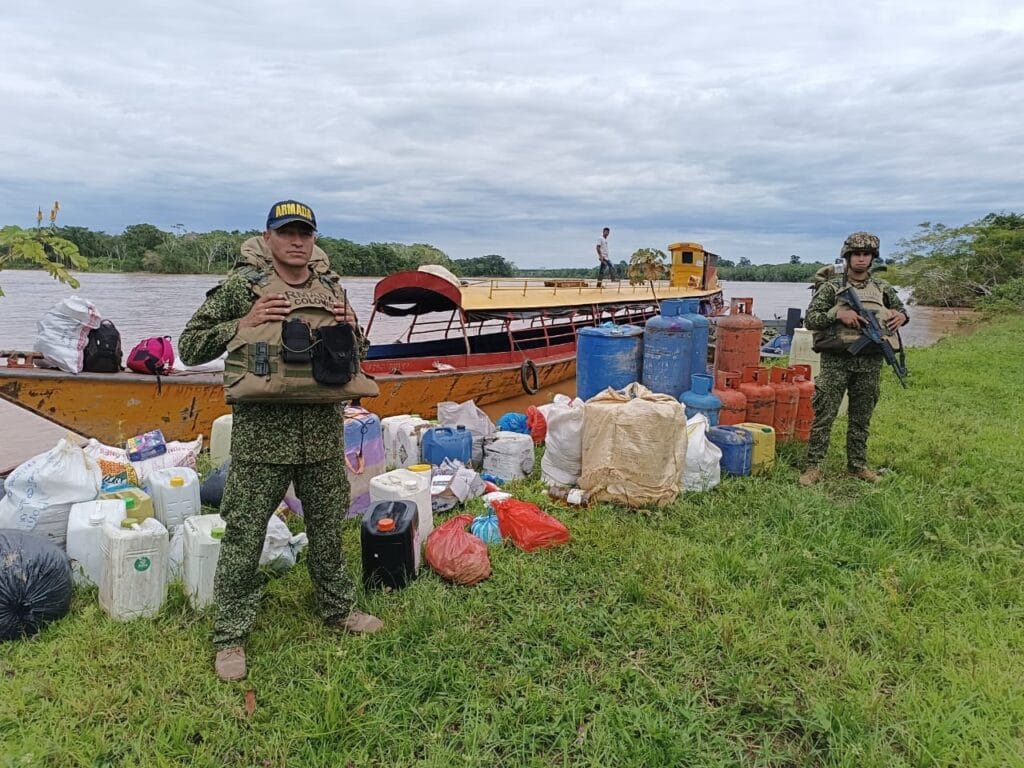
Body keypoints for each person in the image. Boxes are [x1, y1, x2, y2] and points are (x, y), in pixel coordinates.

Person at [179, 200, 383, 682]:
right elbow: (190, 346)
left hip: (321, 434)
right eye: (287, 232)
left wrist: (351, 329)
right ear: (268, 237)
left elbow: (358, 357)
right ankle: (230, 635)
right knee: (245, 535)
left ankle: (338, 610)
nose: (297, 241)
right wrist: (244, 323)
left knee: (330, 526)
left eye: (305, 233)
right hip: (260, 440)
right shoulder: (243, 287)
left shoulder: (330, 287)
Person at [799, 231, 908, 486]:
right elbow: (811, 319)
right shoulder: (832, 287)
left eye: (866, 255)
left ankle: (857, 465)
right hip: (836, 360)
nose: (861, 259)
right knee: (825, 413)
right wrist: (837, 314)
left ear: (873, 258)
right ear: (847, 257)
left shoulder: (882, 288)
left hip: (870, 361)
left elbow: (900, 310)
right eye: (856, 254)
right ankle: (813, 467)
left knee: (861, 415)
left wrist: (902, 316)